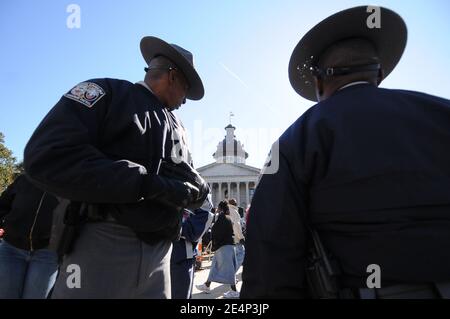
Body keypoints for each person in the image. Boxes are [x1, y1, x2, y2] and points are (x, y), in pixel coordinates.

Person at [241, 6, 450, 299]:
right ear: (378, 72)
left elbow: (270, 255)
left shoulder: (297, 139)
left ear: (318, 82)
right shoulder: (442, 113)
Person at [23, 36, 209, 299]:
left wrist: (198, 190)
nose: (185, 102)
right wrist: (146, 184)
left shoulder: (179, 126)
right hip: (105, 243)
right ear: (172, 76)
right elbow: (48, 155)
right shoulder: (107, 93)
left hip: (161, 255)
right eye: (186, 90)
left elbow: (181, 180)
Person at [0, 174, 59, 299]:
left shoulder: (71, 184)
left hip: (47, 254)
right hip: (11, 249)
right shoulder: (25, 178)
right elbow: (3, 204)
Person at [170, 196, 214, 299]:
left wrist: (167, 223)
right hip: (149, 252)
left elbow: (194, 230)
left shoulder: (198, 186)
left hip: (180, 257)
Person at [196, 200, 239, 298]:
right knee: (214, 267)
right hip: (227, 246)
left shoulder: (221, 218)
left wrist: (214, 244)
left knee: (229, 270)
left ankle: (235, 291)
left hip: (223, 246)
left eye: (218, 207)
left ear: (220, 208)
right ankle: (207, 285)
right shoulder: (227, 218)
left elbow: (216, 232)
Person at [228, 198, 245, 270]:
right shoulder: (234, 212)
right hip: (235, 238)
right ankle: (231, 273)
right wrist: (241, 237)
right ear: (234, 204)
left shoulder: (225, 211)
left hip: (227, 238)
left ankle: (230, 274)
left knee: (231, 257)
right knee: (241, 254)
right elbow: (237, 226)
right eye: (235, 203)